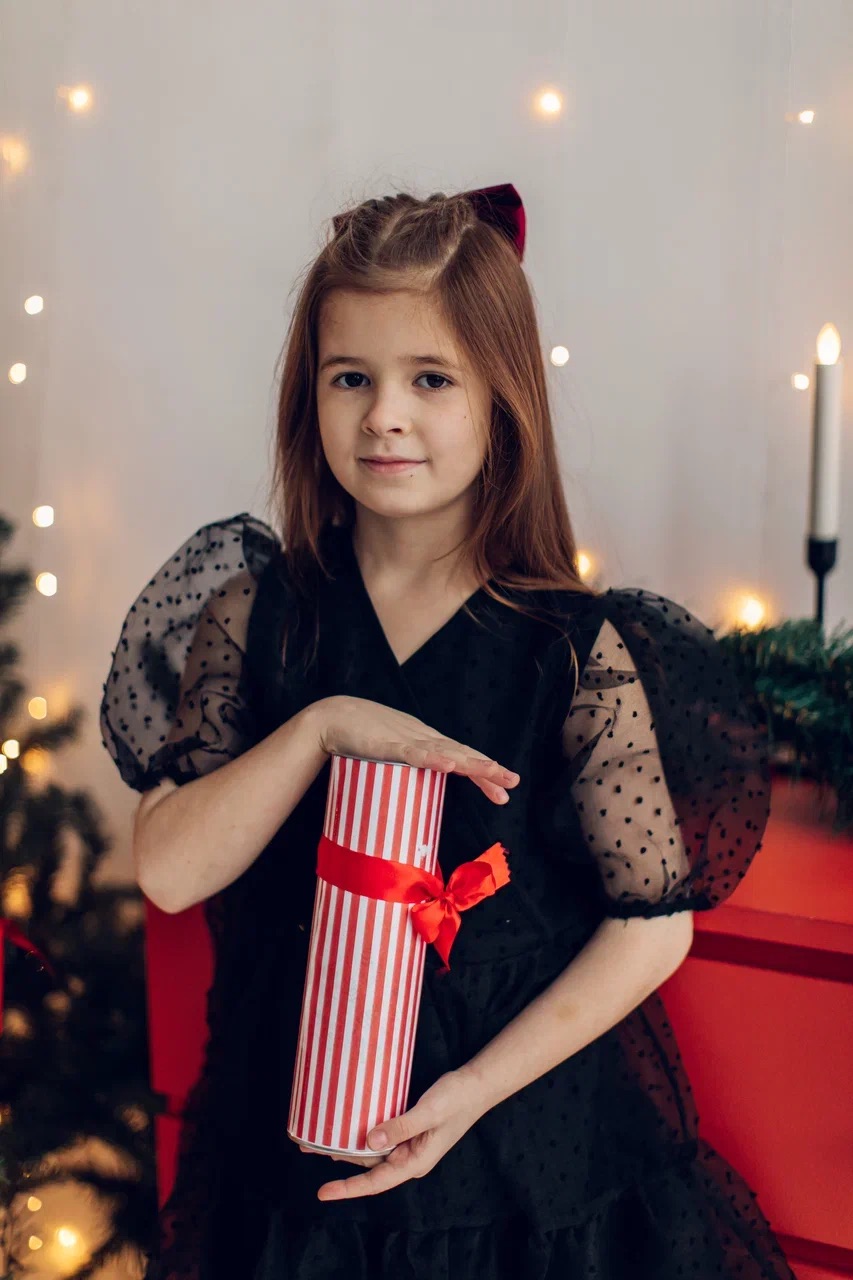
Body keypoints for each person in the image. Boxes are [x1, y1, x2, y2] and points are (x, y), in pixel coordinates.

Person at [100, 183, 797, 1280]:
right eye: (351, 377)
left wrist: (470, 1092)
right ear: (308, 394)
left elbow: (652, 928)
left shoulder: (568, 647)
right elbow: (171, 869)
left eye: (430, 378)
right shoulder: (262, 613)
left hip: (520, 1154)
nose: (384, 414)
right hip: (292, 1147)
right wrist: (320, 729)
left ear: (501, 399)